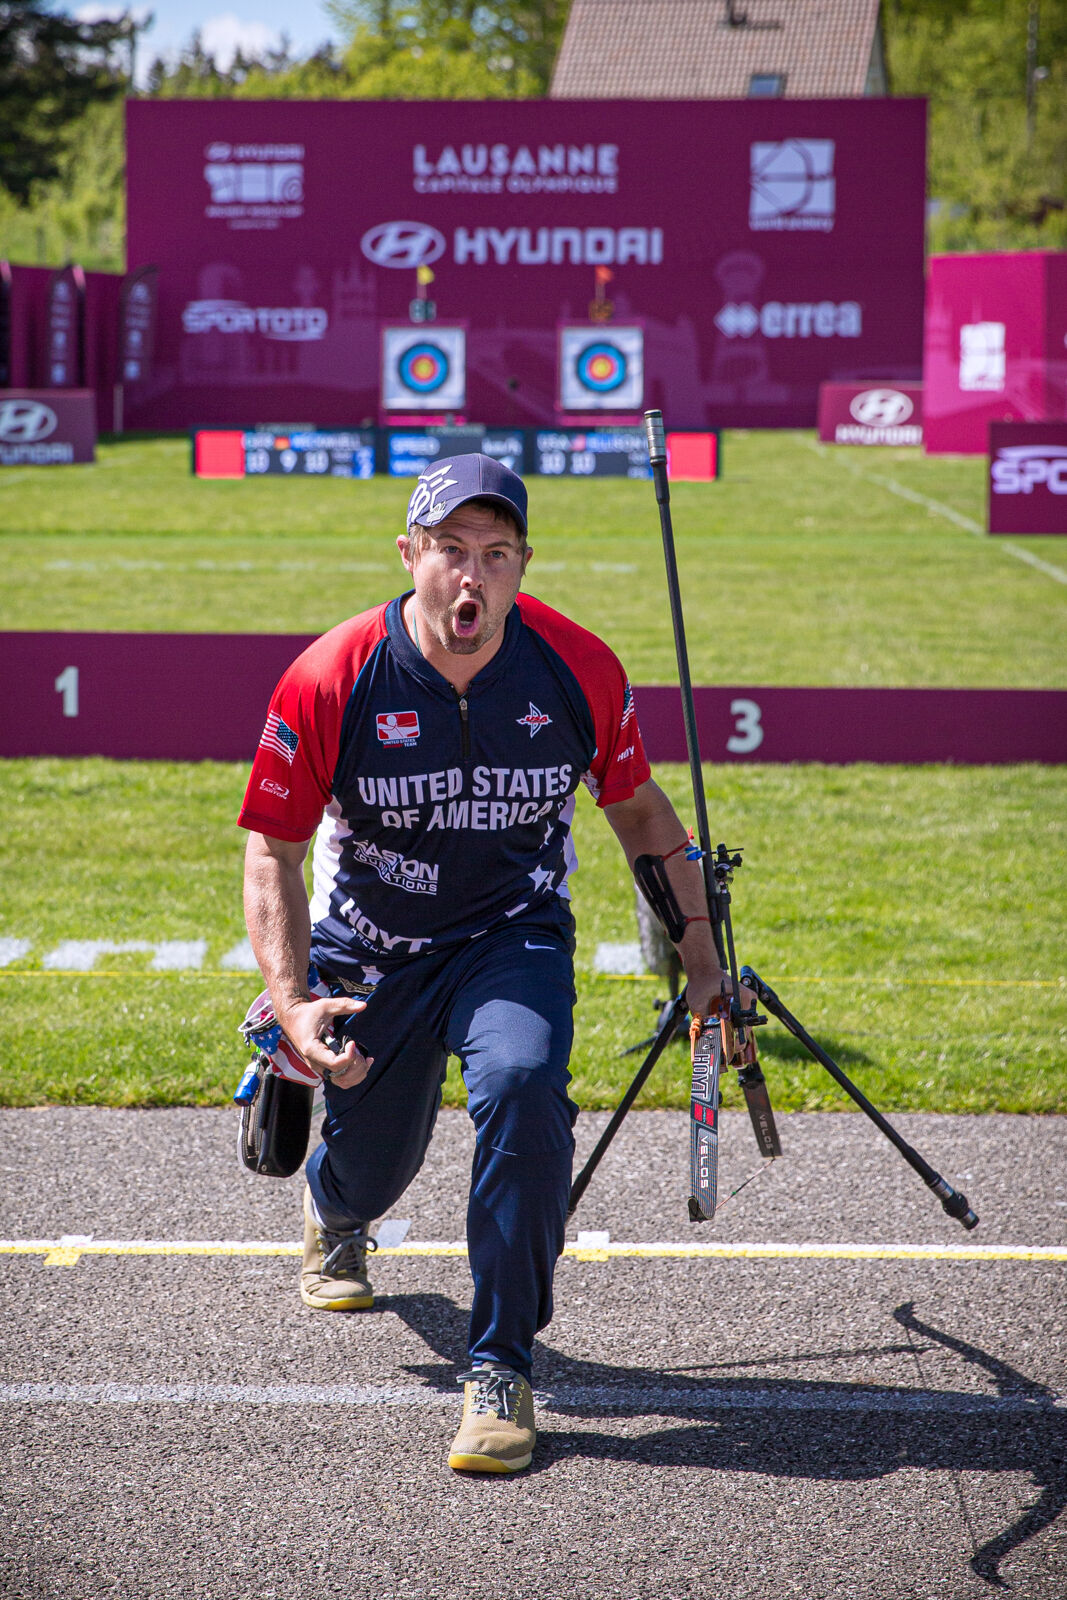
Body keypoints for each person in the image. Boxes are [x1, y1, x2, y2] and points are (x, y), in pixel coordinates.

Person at [238, 452, 733, 1474]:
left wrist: (701, 957)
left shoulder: (576, 666)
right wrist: (290, 1004)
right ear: (409, 553)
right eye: (451, 552)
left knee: (518, 1085)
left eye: (495, 554)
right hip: (373, 951)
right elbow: (272, 850)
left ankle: (499, 1362)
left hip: (512, 934)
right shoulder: (330, 675)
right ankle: (334, 1206)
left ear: (522, 563)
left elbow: (637, 811)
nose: (472, 578)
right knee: (374, 1169)